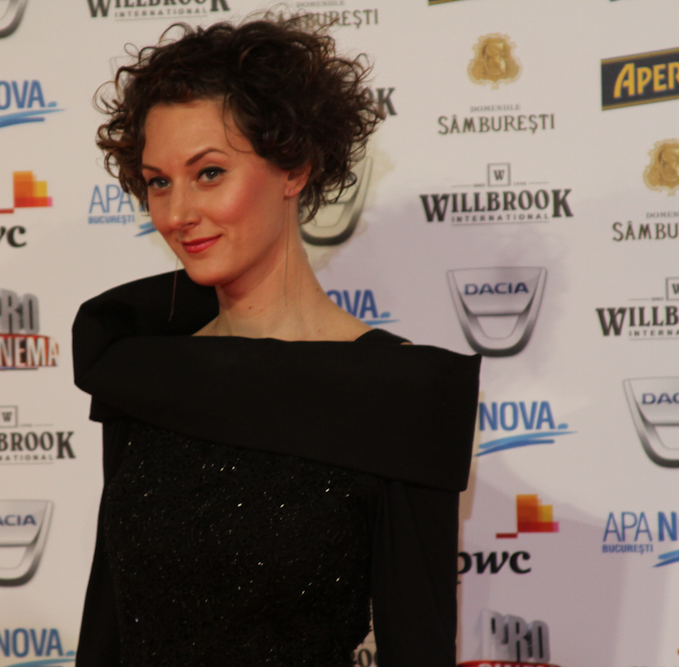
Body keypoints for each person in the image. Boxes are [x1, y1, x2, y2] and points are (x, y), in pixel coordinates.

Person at [72, 15, 480, 667]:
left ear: (294, 166)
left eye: (209, 173)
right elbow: (108, 629)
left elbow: (418, 647)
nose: (177, 213)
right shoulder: (141, 369)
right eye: (158, 181)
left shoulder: (397, 396)